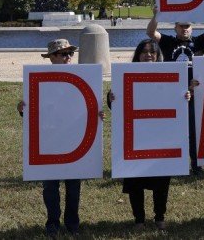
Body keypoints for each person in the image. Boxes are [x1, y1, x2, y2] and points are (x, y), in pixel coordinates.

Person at [16, 39, 105, 235]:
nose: (68, 58)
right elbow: (34, 112)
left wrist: (97, 115)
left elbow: (87, 108)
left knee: (74, 188)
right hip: (49, 140)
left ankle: (73, 224)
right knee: (50, 188)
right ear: (52, 58)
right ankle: (53, 223)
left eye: (70, 54)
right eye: (63, 54)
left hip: (74, 139)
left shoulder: (83, 77)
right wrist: (23, 109)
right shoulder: (39, 79)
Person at [106, 39, 193, 230]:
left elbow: (177, 99)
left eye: (152, 52)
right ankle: (139, 219)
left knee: (161, 180)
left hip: (160, 137)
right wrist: (112, 97)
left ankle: (159, 217)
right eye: (144, 52)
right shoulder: (125, 76)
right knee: (135, 179)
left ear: (158, 55)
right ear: (137, 55)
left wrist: (185, 96)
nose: (148, 55)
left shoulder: (168, 75)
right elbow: (116, 105)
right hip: (136, 137)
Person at [146, 3, 204, 175]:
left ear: (192, 28)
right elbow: (150, 33)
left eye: (187, 26)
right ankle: (171, 163)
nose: (185, 29)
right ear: (175, 27)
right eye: (181, 27)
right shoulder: (168, 42)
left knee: (194, 131)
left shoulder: (199, 42)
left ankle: (196, 164)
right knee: (172, 129)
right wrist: (156, 15)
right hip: (172, 92)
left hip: (194, 93)